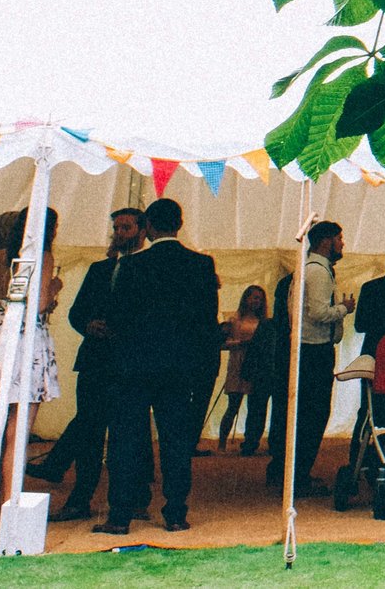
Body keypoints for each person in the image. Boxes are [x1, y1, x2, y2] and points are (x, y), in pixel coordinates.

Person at [98, 197, 220, 536]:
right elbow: (206, 322)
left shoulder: (133, 265)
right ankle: (176, 513)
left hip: (134, 366)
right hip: (179, 367)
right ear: (179, 225)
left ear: (148, 227)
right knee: (176, 443)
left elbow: (117, 316)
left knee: (127, 442)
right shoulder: (201, 265)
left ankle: (120, 516)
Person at [30, 207, 141, 521]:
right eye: (116, 228)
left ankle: (130, 500)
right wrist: (88, 325)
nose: (119, 233)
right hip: (95, 361)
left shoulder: (148, 269)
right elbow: (76, 312)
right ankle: (80, 499)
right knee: (90, 430)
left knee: (125, 434)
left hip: (130, 363)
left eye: (126, 228)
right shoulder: (98, 269)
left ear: (141, 231)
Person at [0, 208, 61, 537]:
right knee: (16, 437)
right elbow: (42, 302)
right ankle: (10, 510)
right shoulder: (42, 256)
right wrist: (55, 288)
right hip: (27, 340)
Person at [269, 220, 347, 496]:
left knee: (302, 415)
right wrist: (343, 309)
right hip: (313, 351)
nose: (342, 244)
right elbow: (317, 313)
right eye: (339, 238)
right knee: (312, 415)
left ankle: (291, 471)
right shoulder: (317, 273)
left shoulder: (309, 270)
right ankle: (298, 476)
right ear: (326, 241)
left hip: (306, 350)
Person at [216, 285, 270, 455]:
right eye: (253, 297)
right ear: (245, 299)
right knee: (233, 405)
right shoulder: (235, 319)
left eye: (259, 299)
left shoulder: (264, 322)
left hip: (256, 364)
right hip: (238, 363)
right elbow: (224, 344)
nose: (256, 301)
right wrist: (240, 344)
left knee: (255, 406)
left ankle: (250, 441)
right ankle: (222, 442)